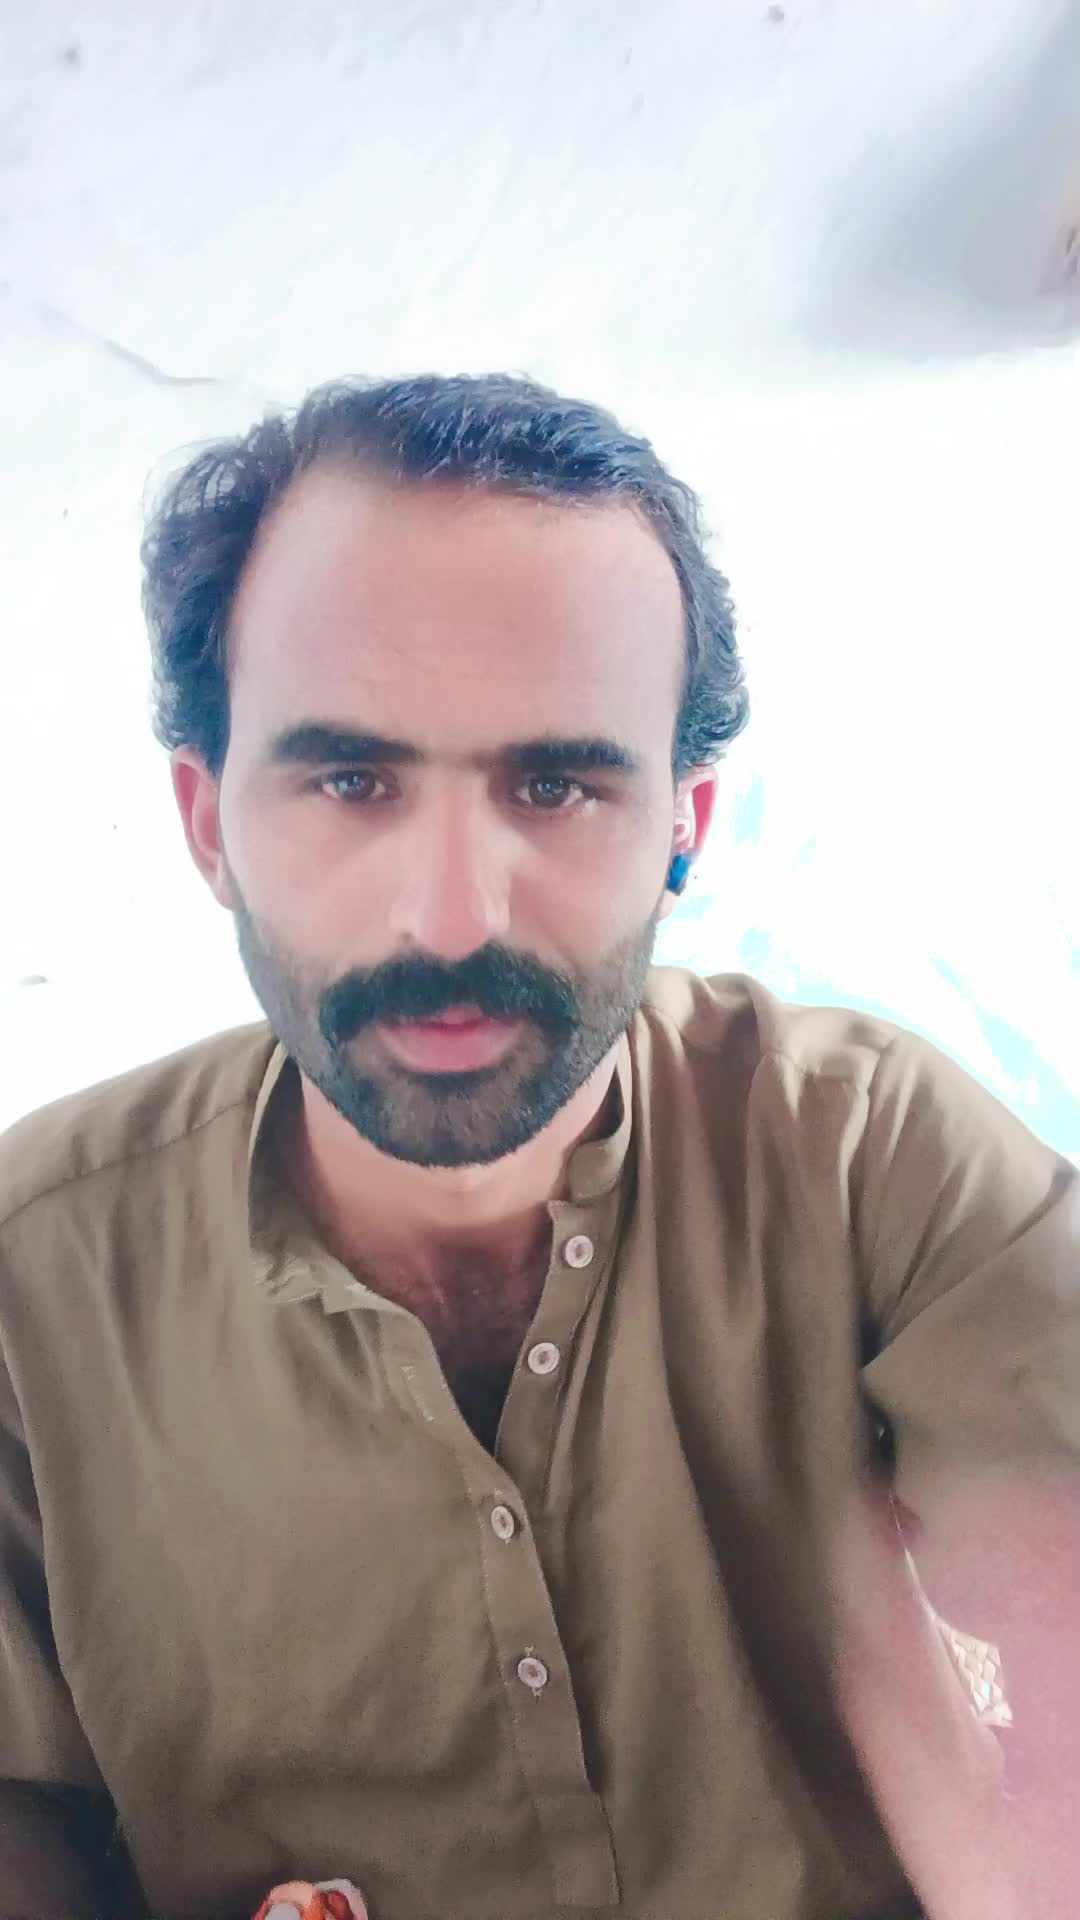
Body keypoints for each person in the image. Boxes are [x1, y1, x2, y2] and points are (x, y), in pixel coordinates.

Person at [0, 374, 1076, 1920]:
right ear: (208, 821)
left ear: (686, 823)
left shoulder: (876, 1162)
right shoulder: (33, 1295)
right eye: (351, 781)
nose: (453, 918)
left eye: (558, 783)